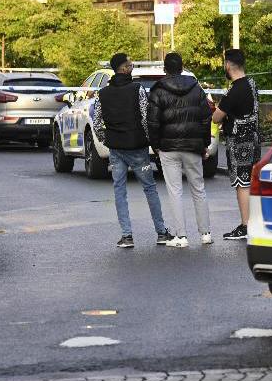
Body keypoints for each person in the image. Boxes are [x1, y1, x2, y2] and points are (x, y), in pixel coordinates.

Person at [92, 53, 174, 249]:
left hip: (116, 150)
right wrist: (151, 142)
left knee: (119, 190)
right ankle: (161, 232)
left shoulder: (102, 93)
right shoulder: (137, 89)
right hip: (137, 148)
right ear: (124, 68)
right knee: (150, 188)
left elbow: (96, 122)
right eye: (130, 64)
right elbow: (146, 118)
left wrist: (107, 139)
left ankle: (127, 235)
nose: (132, 66)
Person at [147, 52, 214, 249]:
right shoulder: (196, 88)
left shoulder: (158, 90)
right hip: (193, 147)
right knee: (198, 188)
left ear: (165, 69)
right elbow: (205, 118)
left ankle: (181, 236)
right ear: (182, 67)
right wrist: (204, 144)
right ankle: (206, 234)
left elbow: (152, 122)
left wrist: (156, 145)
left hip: (168, 148)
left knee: (175, 191)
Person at [212, 48, 259, 241]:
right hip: (254, 139)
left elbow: (216, 118)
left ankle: (245, 225)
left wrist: (217, 110)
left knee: (242, 184)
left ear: (229, 65)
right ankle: (254, 223)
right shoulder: (251, 84)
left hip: (239, 142)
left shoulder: (234, 90)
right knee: (251, 182)